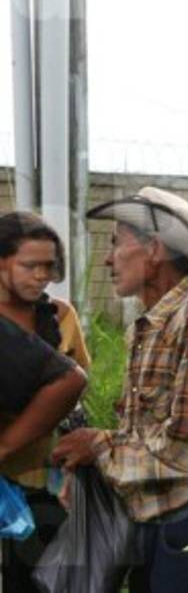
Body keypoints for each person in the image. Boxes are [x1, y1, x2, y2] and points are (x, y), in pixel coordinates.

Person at [51, 187, 188, 592]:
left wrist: (98, 447)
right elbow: (145, 436)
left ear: (154, 249)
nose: (108, 259)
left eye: (116, 243)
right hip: (153, 519)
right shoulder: (147, 327)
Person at [0, 212, 88, 593]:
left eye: (49, 266)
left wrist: (73, 470)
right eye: (29, 265)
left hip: (43, 481)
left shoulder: (61, 316)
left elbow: (75, 399)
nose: (41, 276)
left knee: (36, 582)